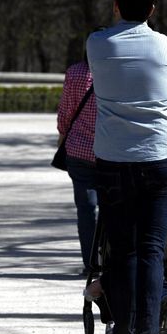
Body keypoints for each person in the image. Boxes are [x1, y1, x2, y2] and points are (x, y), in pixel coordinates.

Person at [86, 0, 167, 334]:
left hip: (113, 158)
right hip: (160, 157)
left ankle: (122, 333)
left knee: (122, 249)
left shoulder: (97, 44)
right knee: (152, 251)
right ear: (152, 10)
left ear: (115, 6)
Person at [56, 52, 97, 276]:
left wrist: (62, 136)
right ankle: (109, 258)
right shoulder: (117, 69)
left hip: (79, 150)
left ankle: (90, 262)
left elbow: (66, 111)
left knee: (86, 209)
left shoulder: (74, 73)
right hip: (113, 150)